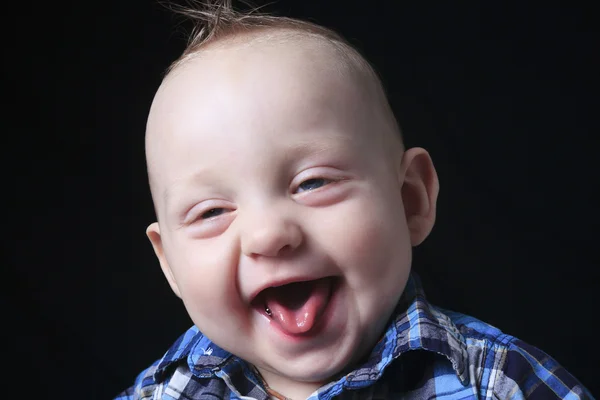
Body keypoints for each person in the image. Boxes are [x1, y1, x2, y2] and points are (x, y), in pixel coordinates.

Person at [116, 1, 594, 399]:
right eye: (211, 212)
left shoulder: (499, 383)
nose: (268, 234)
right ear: (170, 264)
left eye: (313, 183)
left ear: (410, 199)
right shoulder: (162, 391)